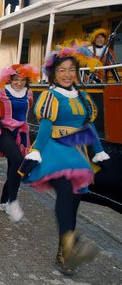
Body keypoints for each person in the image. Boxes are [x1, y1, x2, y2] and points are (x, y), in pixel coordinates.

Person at [20, 44, 110, 275]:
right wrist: (35, 152)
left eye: (71, 69)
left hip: (77, 153)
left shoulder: (82, 97)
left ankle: (64, 252)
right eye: (62, 70)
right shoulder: (50, 96)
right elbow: (44, 128)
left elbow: (88, 127)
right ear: (54, 73)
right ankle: (70, 243)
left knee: (74, 203)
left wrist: (99, 152)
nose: (67, 74)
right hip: (55, 150)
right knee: (65, 193)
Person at [0, 64, 39, 222]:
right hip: (2, 131)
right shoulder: (0, 92)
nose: (19, 83)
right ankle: (12, 202)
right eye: (16, 79)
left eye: (23, 80)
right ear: (10, 79)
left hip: (20, 134)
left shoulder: (29, 94)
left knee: (14, 166)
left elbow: (26, 113)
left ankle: (4, 201)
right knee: (18, 161)